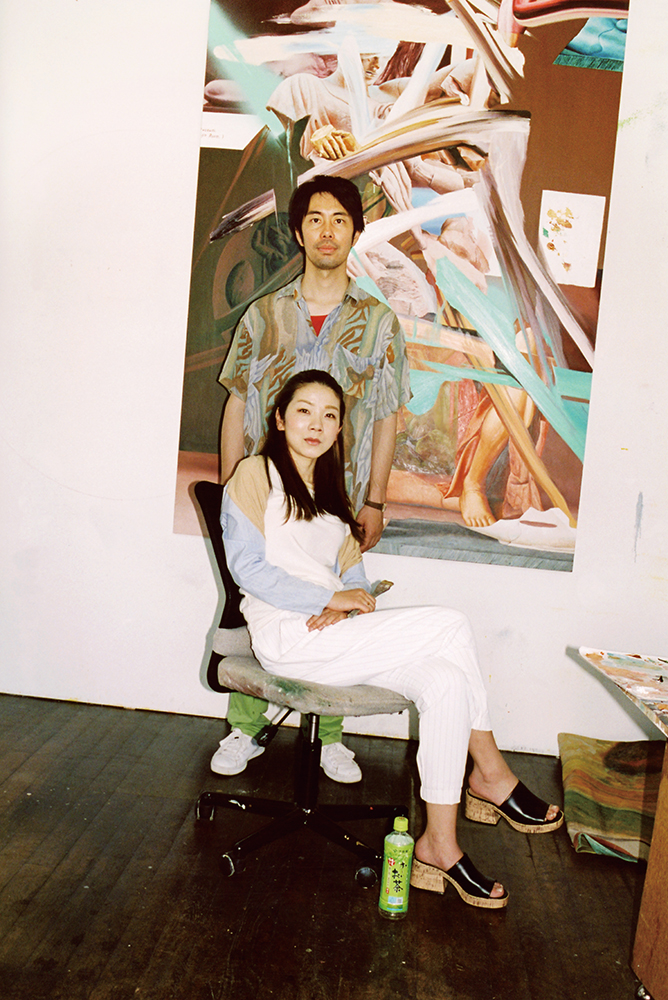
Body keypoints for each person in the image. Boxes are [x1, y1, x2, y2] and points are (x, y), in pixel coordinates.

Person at [221, 369, 564, 908]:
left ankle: (439, 845)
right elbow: (247, 568)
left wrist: (350, 602)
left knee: (446, 681)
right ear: (280, 418)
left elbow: (355, 579)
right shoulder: (255, 473)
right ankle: (492, 774)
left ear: (339, 430)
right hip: (288, 635)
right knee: (450, 623)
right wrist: (326, 599)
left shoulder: (332, 496)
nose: (317, 424)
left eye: (330, 416)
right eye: (304, 411)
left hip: (335, 636)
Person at [212, 175, 412, 783]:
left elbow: (387, 416)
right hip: (267, 496)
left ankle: (330, 736)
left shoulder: (379, 323)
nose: (327, 231)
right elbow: (237, 402)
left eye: (340, 220)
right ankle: (245, 728)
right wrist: (229, 489)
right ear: (298, 232)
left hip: (338, 500)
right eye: (315, 219)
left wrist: (374, 500)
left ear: (355, 232)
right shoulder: (263, 315)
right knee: (261, 602)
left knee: (337, 603)